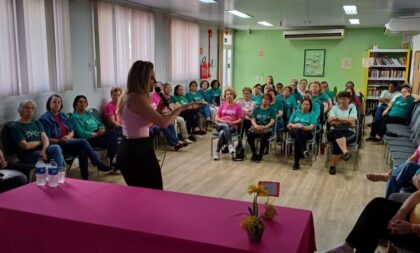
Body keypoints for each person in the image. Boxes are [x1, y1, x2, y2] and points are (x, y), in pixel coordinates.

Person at [116, 60, 189, 189]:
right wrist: (181, 108)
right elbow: (163, 123)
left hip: (130, 148)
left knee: (143, 193)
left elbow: (141, 124)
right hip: (137, 151)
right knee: (153, 190)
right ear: (141, 79)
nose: (155, 82)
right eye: (151, 78)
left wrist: (158, 111)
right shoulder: (137, 98)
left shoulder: (128, 96)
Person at [39, 94, 114, 180]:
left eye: (59, 102)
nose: (57, 104)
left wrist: (68, 136)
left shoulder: (62, 115)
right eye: (54, 102)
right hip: (57, 145)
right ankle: (97, 163)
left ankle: (85, 177)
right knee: (82, 141)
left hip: (68, 141)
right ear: (49, 104)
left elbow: (72, 131)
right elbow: (46, 139)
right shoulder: (45, 119)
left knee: (82, 150)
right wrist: (60, 140)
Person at [326, 190, 420, 253]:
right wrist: (401, 212)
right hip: (412, 215)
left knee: (374, 225)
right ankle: (347, 246)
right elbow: (418, 194)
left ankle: (346, 248)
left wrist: (412, 228)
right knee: (377, 205)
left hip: (415, 232)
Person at [10, 100, 64, 168]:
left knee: (56, 148)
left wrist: (44, 150)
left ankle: (59, 174)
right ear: (21, 110)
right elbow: (26, 146)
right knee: (54, 156)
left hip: (41, 150)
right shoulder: (16, 126)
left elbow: (45, 139)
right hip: (28, 154)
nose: (30, 110)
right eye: (27, 108)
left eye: (32, 108)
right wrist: (41, 142)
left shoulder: (37, 123)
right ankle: (58, 174)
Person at [70, 95, 119, 168]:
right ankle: (114, 162)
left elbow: (99, 123)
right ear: (75, 104)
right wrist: (96, 134)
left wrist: (102, 128)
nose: (83, 104)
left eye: (85, 102)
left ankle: (114, 160)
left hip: (98, 134)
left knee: (112, 133)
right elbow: (80, 133)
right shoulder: (74, 117)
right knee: (111, 139)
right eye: (80, 102)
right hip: (89, 139)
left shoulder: (88, 114)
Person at [327, 92, 358, 175]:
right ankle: (345, 152)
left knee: (336, 139)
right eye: (340, 98)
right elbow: (330, 120)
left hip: (349, 132)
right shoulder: (334, 108)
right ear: (337, 100)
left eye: (344, 98)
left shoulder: (352, 108)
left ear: (349, 100)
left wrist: (337, 119)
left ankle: (333, 166)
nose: (342, 100)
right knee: (337, 133)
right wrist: (345, 121)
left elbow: (352, 121)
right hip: (333, 131)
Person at [213, 88, 244, 160]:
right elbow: (216, 117)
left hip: (232, 126)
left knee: (222, 133)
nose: (229, 96)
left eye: (230, 94)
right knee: (224, 126)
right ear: (225, 96)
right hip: (220, 125)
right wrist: (223, 121)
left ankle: (216, 152)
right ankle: (230, 144)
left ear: (234, 96)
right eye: (227, 94)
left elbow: (240, 119)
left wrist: (232, 122)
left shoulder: (238, 106)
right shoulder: (222, 105)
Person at [288, 98, 317, 170]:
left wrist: (302, 127)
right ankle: (304, 150)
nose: (305, 106)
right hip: (294, 131)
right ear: (301, 105)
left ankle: (296, 162)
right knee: (298, 133)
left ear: (310, 106)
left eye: (307, 105)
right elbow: (289, 125)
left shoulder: (312, 114)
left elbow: (311, 127)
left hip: (307, 133)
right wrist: (297, 125)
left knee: (298, 137)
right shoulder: (295, 113)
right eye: (304, 104)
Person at [247, 94, 276, 162]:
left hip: (267, 129)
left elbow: (272, 121)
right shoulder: (256, 109)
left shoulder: (272, 110)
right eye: (264, 98)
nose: (265, 100)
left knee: (264, 137)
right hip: (257, 128)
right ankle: (254, 153)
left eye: (267, 99)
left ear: (270, 101)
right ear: (261, 100)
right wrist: (256, 126)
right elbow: (253, 119)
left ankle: (260, 154)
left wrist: (265, 127)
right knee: (249, 135)